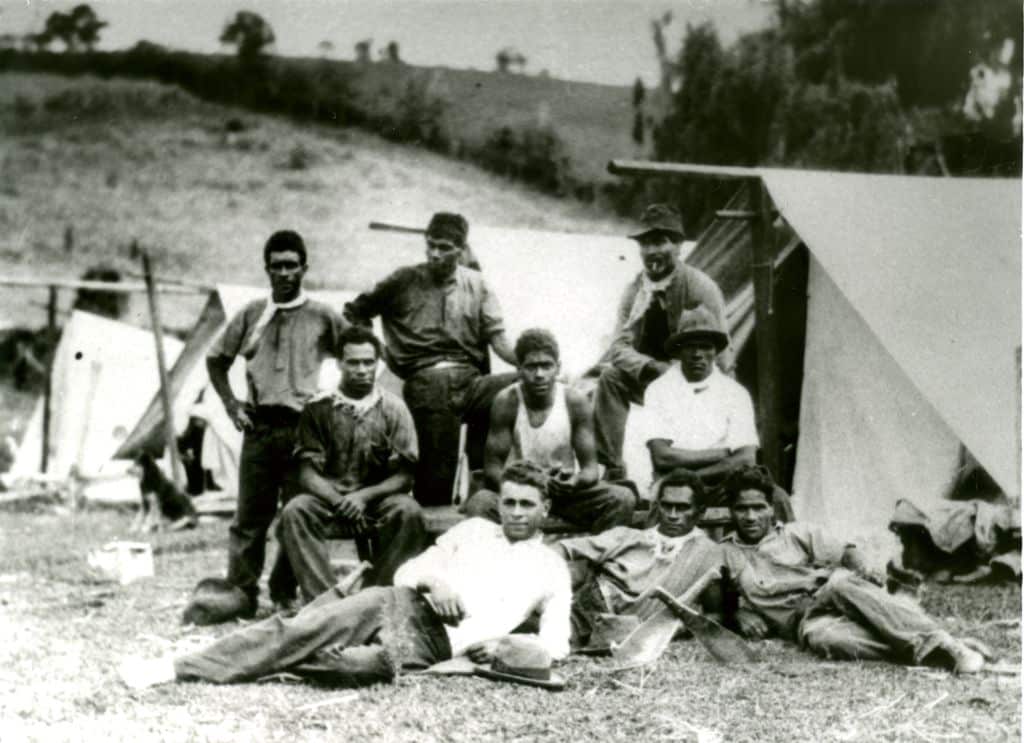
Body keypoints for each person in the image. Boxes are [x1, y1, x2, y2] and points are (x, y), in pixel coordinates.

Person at [118, 461, 571, 689]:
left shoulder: (551, 569)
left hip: (431, 647)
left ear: (544, 509)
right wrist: (436, 581)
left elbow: (557, 644)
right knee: (300, 629)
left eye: (526, 504)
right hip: (399, 605)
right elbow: (411, 569)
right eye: (509, 502)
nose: (514, 512)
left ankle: (269, 653)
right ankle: (177, 668)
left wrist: (506, 645)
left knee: (350, 665)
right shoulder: (475, 530)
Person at [720, 465, 988, 674]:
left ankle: (943, 642)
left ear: (771, 509)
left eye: (758, 508)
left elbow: (846, 552)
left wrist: (865, 568)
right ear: (731, 512)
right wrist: (735, 613)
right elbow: (712, 601)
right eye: (742, 509)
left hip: (833, 592)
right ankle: (938, 652)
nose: (751, 517)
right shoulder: (725, 553)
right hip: (805, 621)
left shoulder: (796, 533)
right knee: (826, 640)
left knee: (840, 584)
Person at [206, 230, 347, 617]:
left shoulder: (322, 315)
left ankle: (284, 591)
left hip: (304, 429)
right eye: (277, 266)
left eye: (291, 265)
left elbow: (357, 352)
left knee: (295, 514)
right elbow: (216, 359)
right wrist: (232, 405)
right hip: (260, 427)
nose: (285, 273)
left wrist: (336, 402)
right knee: (250, 517)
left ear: (305, 268)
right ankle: (241, 593)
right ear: (266, 269)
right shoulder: (252, 313)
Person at [344, 212, 518, 507]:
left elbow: (498, 338)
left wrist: (531, 363)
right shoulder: (404, 279)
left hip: (472, 382)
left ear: (460, 250)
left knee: (525, 386)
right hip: (428, 383)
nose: (435, 254)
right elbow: (356, 312)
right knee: (435, 489)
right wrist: (381, 353)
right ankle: (428, 536)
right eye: (431, 245)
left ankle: (485, 477)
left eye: (444, 247)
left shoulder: (478, 284)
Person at [276, 325, 428, 603]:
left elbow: (405, 477)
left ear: (377, 364)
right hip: (330, 503)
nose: (361, 369)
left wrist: (363, 497)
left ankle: (377, 596)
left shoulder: (394, 408)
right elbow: (307, 474)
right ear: (339, 364)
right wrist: (339, 500)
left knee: (409, 512)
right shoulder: (318, 408)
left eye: (368, 362)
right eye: (353, 362)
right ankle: (326, 603)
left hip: (376, 504)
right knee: (295, 511)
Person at [591, 204, 729, 480]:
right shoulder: (634, 291)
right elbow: (618, 347)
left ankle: (686, 469)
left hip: (693, 378)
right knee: (610, 379)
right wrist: (653, 367)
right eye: (645, 244)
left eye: (660, 242)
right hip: (652, 376)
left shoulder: (700, 286)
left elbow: (721, 349)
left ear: (678, 246)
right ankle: (612, 467)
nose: (652, 252)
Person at [462, 328, 635, 533]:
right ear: (519, 369)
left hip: (562, 493)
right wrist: (525, 485)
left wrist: (574, 481)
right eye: (531, 367)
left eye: (546, 366)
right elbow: (492, 468)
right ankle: (502, 560)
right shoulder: (507, 401)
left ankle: (596, 559)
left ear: (558, 368)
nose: (539, 375)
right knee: (480, 504)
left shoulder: (574, 401)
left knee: (622, 498)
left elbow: (590, 470)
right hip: (520, 491)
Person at [630, 304, 793, 521]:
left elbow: (746, 459)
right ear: (678, 350)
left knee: (777, 499)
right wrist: (724, 453)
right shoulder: (659, 390)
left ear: (715, 350)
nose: (697, 354)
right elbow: (663, 458)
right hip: (675, 484)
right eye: (690, 346)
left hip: (724, 483)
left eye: (705, 346)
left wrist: (693, 472)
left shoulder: (735, 392)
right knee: (661, 512)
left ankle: (787, 553)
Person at [556, 470, 724, 650]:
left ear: (700, 511)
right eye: (667, 506)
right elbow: (563, 548)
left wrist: (677, 629)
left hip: (637, 630)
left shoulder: (708, 553)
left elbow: (714, 615)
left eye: (682, 507)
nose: (673, 515)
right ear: (657, 506)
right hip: (588, 611)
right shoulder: (628, 537)